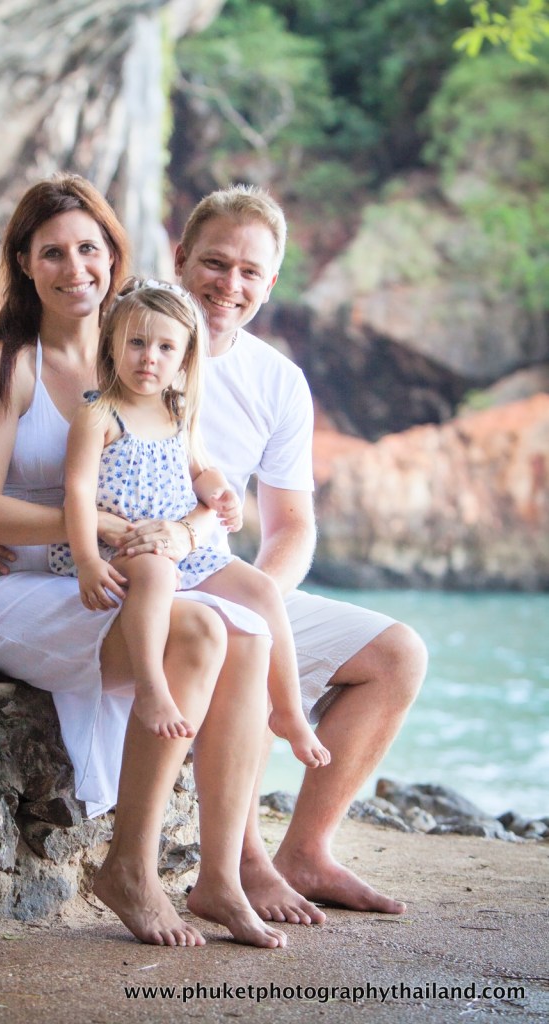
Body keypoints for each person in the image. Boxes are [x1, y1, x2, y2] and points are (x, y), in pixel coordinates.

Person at [0, 172, 289, 949]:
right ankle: (130, 866)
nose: (75, 268)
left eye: (89, 249)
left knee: (246, 631)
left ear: (113, 254)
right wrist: (97, 526)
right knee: (198, 629)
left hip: (106, 570)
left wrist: (184, 531)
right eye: (52, 252)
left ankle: (222, 875)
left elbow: (192, 478)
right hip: (5, 583)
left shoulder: (136, 348)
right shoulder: (5, 361)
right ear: (23, 262)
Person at [102, 185, 429, 922]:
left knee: (396, 655)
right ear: (180, 258)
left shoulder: (277, 381)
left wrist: (260, 595)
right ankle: (241, 863)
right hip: (138, 580)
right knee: (234, 633)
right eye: (214, 263)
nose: (230, 285)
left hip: (221, 575)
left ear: (271, 283)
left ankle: (306, 852)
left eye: (250, 272)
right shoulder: (129, 342)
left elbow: (292, 527)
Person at [50, 275, 330, 769]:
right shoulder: (98, 416)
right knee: (157, 573)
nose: (149, 358)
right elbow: (76, 494)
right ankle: (151, 687)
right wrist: (88, 561)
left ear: (184, 359)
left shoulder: (178, 411)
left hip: (181, 546)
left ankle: (289, 711)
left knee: (262, 590)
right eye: (136, 343)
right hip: (121, 548)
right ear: (111, 345)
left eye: (165, 347)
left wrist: (221, 493)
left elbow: (201, 469)